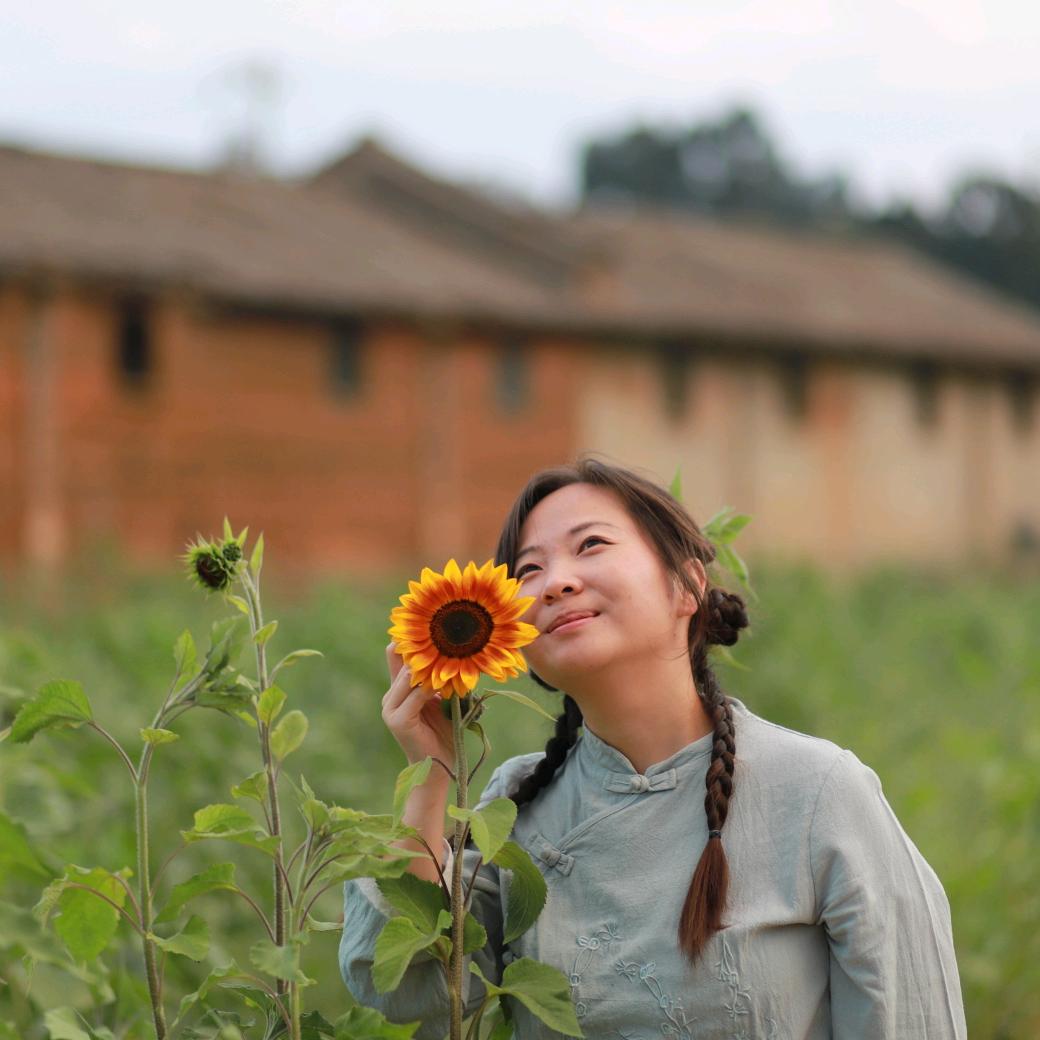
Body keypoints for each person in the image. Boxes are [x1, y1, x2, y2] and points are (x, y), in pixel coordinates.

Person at [340, 457, 967, 1039]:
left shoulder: (819, 793)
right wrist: (432, 773)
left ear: (687, 586)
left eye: (591, 545)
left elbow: (911, 1017)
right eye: (528, 570)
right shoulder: (510, 809)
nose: (555, 582)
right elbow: (398, 982)